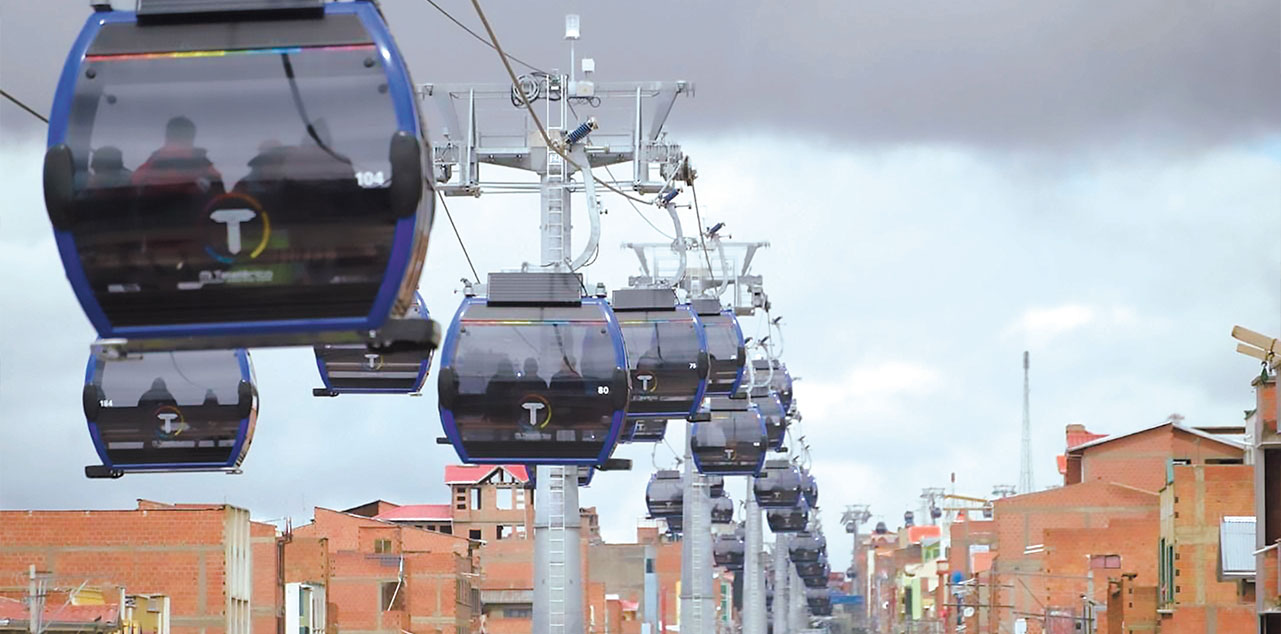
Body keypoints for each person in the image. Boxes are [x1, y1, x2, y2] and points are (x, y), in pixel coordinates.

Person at [132, 116, 223, 194]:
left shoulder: (146, 170)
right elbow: (220, 205)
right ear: (191, 137)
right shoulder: (208, 172)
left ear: (167, 136)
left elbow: (133, 200)